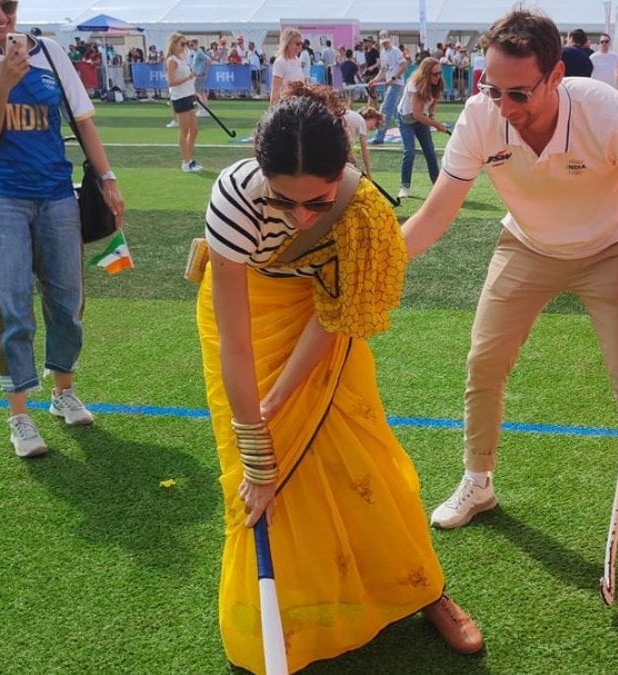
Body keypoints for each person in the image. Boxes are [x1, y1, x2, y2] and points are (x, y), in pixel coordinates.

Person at [197, 81, 483, 673]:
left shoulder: (365, 213)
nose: (301, 216)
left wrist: (278, 401)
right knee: (256, 487)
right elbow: (237, 343)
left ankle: (424, 589)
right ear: (259, 171)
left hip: (321, 320)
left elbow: (335, 319)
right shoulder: (233, 200)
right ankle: (287, 620)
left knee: (363, 457)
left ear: (345, 174)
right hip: (249, 314)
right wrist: (256, 446)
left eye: (318, 203)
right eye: (285, 201)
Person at [402, 8, 618, 556]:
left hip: (611, 249)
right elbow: (437, 213)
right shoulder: (480, 118)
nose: (505, 108)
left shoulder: (610, 114)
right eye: (493, 90)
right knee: (483, 361)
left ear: (556, 76)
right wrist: (383, 262)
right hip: (527, 245)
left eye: (519, 93)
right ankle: (478, 480)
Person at [0, 0, 125, 458]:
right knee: (11, 307)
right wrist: (3, 82)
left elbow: (82, 121)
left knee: (67, 299)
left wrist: (107, 179)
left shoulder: (49, 52)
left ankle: (62, 390)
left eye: (8, 5)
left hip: (56, 194)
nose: (1, 16)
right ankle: (19, 414)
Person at [397, 57, 448, 199]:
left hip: (421, 119)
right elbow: (417, 115)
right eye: (434, 74)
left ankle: (438, 187)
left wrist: (432, 115)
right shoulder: (414, 84)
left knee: (430, 152)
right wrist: (436, 124)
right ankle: (404, 186)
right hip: (406, 119)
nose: (438, 77)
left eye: (440, 73)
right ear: (426, 74)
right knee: (409, 152)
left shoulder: (437, 83)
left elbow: (433, 101)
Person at [165, 32, 202, 172]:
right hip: (180, 98)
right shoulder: (172, 61)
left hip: (188, 95)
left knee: (194, 130)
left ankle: (190, 159)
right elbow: (172, 81)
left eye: (186, 43)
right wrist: (188, 77)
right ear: (174, 44)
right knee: (184, 130)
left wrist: (192, 88)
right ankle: (186, 162)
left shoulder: (182, 59)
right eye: (182, 43)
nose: (185, 46)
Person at [367, 32, 405, 144]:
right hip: (391, 84)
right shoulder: (382, 53)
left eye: (386, 42)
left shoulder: (396, 51)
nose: (385, 44)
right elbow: (383, 71)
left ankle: (379, 137)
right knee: (398, 113)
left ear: (390, 40)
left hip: (396, 84)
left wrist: (393, 78)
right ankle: (408, 136)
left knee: (385, 110)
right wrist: (375, 80)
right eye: (383, 42)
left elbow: (403, 65)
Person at [344, 105, 383, 178]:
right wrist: (368, 172)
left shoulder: (354, 121)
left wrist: (352, 158)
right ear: (370, 117)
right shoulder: (361, 122)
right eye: (376, 123)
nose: (374, 128)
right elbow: (364, 150)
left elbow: (345, 144)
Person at [270, 27, 305, 106]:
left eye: (301, 44)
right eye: (297, 44)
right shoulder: (280, 62)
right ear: (288, 43)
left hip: (299, 105)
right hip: (286, 106)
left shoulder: (297, 60)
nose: (300, 47)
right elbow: (275, 90)